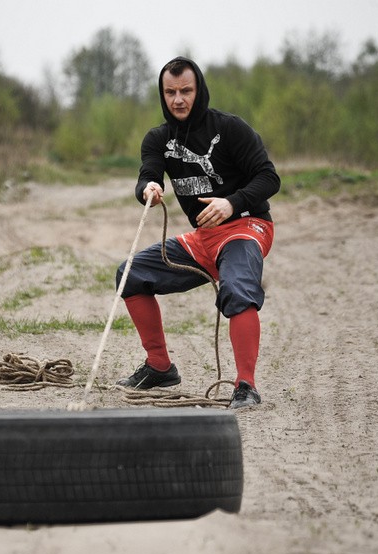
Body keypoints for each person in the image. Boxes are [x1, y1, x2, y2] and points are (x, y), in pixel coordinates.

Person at [115, 56, 280, 410]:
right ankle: (160, 367)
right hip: (204, 240)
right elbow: (148, 173)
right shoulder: (158, 139)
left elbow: (269, 178)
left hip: (247, 227)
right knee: (129, 274)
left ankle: (245, 386)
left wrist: (231, 203)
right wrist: (149, 188)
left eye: (185, 91)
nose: (178, 99)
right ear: (163, 94)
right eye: (171, 92)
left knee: (237, 289)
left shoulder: (231, 128)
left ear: (198, 89)